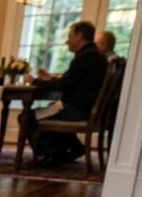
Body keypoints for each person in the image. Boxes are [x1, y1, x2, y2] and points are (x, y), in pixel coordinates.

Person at [21, 21, 108, 165]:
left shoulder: (85, 56)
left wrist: (35, 81)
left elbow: (63, 85)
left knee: (27, 117)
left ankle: (53, 153)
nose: (67, 41)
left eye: (69, 36)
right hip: (92, 109)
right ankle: (73, 148)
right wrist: (50, 79)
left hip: (78, 110)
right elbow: (71, 80)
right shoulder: (96, 55)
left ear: (79, 36)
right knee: (48, 110)